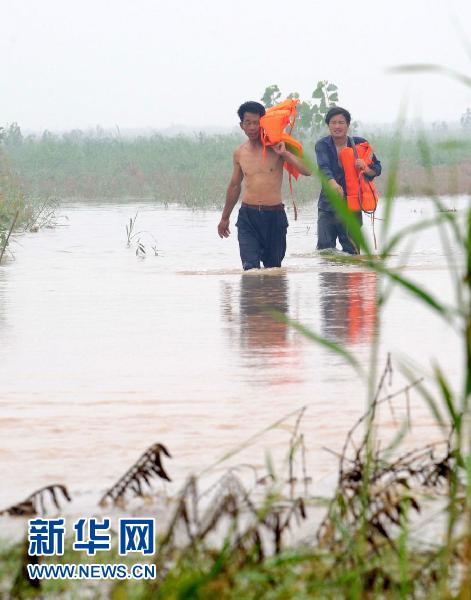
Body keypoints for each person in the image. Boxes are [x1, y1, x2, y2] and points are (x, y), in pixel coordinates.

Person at [217, 101, 310, 270]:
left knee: (273, 269)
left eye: (256, 122)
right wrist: (225, 217)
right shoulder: (240, 153)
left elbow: (307, 170)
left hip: (275, 216)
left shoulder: (278, 146)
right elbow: (234, 186)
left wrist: (285, 154)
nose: (252, 127)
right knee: (250, 268)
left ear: (263, 123)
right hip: (248, 216)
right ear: (242, 126)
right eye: (248, 123)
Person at [315, 107, 381, 254]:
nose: (337, 126)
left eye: (341, 122)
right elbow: (323, 167)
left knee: (352, 251)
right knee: (325, 251)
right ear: (328, 125)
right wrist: (333, 183)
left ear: (348, 124)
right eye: (333, 123)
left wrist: (366, 168)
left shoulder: (360, 144)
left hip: (353, 205)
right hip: (328, 204)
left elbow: (377, 168)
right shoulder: (322, 145)